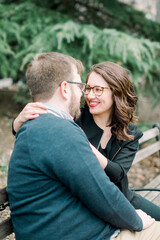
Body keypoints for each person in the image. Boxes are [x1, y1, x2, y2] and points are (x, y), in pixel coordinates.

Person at [7, 52, 160, 240]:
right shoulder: (73, 118)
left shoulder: (129, 133)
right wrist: (17, 124)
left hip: (118, 196)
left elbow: (119, 174)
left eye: (98, 90)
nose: (87, 95)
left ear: (116, 93)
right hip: (94, 202)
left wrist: (83, 146)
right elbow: (40, 136)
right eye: (86, 88)